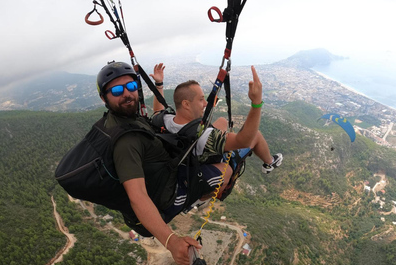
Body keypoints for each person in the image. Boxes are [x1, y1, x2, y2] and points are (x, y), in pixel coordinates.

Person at [97, 61, 205, 265]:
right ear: (104, 98)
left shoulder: (127, 119)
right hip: (162, 200)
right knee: (222, 171)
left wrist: (159, 85)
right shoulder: (125, 141)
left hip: (158, 184)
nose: (127, 94)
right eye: (118, 90)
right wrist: (171, 241)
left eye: (130, 87)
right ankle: (200, 197)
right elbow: (137, 196)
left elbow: (156, 119)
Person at [149, 63, 283, 186]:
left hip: (181, 150)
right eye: (201, 99)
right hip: (201, 158)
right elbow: (243, 141)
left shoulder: (163, 119)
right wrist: (256, 103)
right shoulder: (207, 138)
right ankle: (269, 162)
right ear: (186, 104)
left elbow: (157, 110)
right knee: (256, 136)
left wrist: (159, 83)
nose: (206, 104)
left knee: (222, 121)